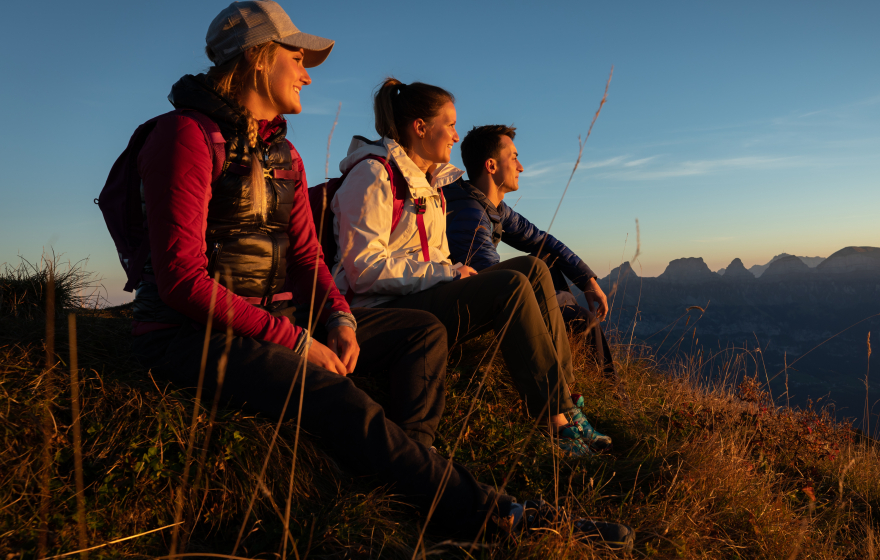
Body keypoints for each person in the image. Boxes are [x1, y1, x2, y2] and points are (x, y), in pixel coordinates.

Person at [122, 1, 632, 547]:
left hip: (269, 317)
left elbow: (308, 257)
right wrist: (296, 341)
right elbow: (181, 280)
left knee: (423, 331)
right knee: (343, 404)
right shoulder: (185, 137)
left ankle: (414, 486)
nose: (307, 71)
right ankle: (500, 517)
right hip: (187, 336)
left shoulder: (283, 154)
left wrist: (338, 319)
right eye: (296, 56)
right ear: (257, 59)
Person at [327, 79, 611, 456]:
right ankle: (554, 423)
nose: (456, 135)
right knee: (509, 286)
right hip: (379, 311)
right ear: (420, 127)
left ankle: (568, 404)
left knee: (532, 268)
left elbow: (534, 241)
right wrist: (448, 274)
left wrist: (584, 278)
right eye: (450, 124)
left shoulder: (432, 184)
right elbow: (364, 270)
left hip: (421, 294)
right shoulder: (373, 175)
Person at [446, 125, 618, 380]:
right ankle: (608, 389)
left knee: (546, 258)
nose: (521, 167)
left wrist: (587, 281)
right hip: (468, 309)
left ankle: (566, 335)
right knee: (581, 320)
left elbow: (543, 241)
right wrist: (566, 303)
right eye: (514, 158)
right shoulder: (471, 214)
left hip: (490, 293)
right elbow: (496, 283)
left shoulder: (493, 207)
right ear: (491, 166)